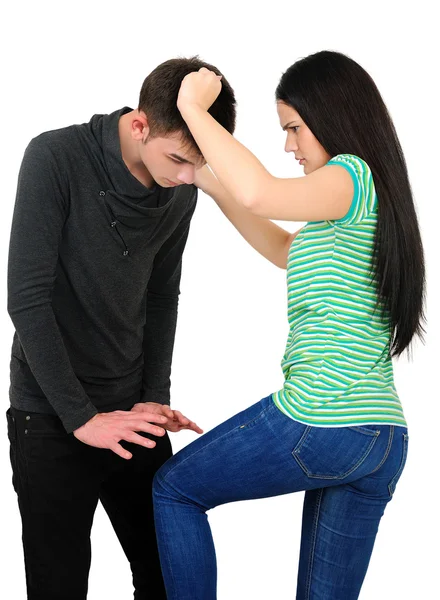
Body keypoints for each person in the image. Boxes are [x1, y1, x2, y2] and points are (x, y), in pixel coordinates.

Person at [152, 51, 425, 599]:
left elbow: (259, 190)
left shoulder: (351, 174)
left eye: (294, 128)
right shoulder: (352, 207)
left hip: (322, 419)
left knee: (175, 489)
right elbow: (281, 246)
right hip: (379, 438)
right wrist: (203, 177)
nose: (289, 146)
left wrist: (191, 108)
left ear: (334, 116)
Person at [6, 56, 236, 600]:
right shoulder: (54, 157)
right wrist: (81, 418)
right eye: (178, 159)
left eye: (195, 167)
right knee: (58, 588)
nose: (185, 177)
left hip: (132, 412)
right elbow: (27, 300)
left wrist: (154, 399)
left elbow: (162, 296)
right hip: (51, 416)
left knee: (167, 579)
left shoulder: (180, 190)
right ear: (139, 125)